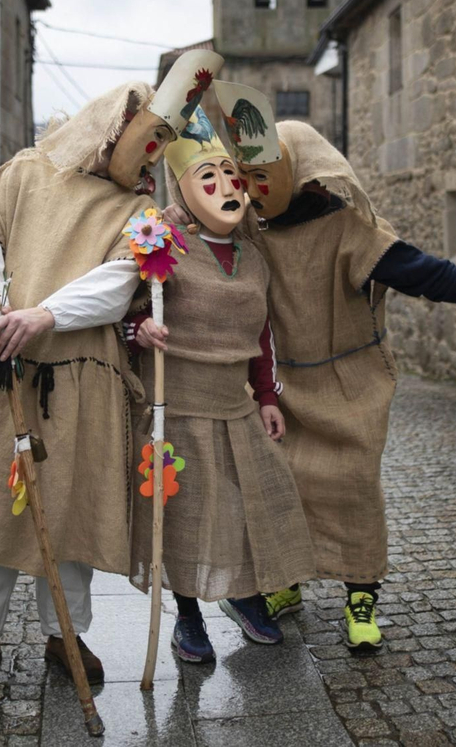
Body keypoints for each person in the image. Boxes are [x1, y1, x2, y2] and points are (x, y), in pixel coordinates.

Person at [0, 53, 218, 684]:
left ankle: (66, 637)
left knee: (75, 510)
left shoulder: (141, 215)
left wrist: (42, 317)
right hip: (2, 371)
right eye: (147, 136)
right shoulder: (26, 172)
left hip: (83, 377)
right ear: (113, 124)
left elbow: (117, 283)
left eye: (163, 143)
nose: (152, 153)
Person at [224, 120, 456, 653]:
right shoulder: (254, 231)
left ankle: (361, 595)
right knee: (287, 484)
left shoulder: (349, 228)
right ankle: (286, 582)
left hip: (352, 381)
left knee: (352, 484)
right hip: (287, 382)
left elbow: (422, 272)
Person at [126, 96, 315, 663]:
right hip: (175, 406)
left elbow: (262, 334)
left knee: (253, 502)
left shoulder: (253, 256)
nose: (227, 184)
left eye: (231, 173)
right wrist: (139, 330)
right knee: (181, 515)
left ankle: (246, 595)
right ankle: (188, 618)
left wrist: (266, 396)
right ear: (182, 189)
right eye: (209, 174)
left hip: (235, 404)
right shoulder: (161, 244)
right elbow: (123, 307)